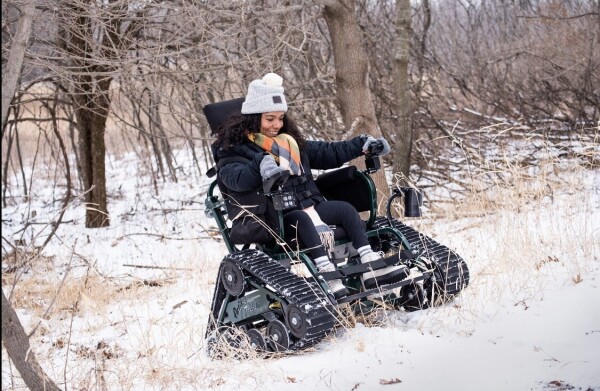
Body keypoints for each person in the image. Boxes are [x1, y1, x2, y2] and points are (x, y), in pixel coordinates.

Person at [211, 72, 408, 299]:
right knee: (302, 219)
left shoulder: (290, 143)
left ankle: (371, 264)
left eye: (280, 117)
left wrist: (362, 144)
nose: (277, 124)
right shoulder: (233, 150)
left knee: (344, 209)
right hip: (277, 219)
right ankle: (327, 274)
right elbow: (235, 179)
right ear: (254, 118)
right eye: (270, 119)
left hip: (310, 206)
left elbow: (330, 152)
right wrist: (259, 165)